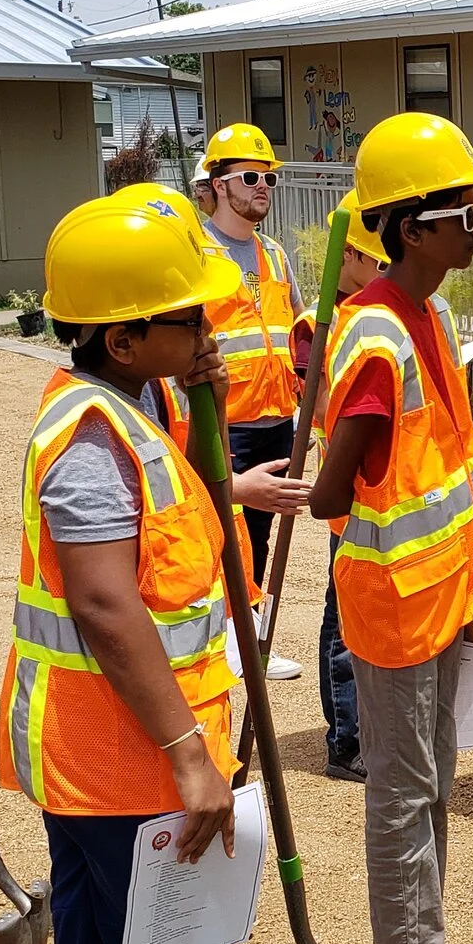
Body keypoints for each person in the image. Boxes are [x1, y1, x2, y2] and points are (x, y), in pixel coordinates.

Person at [0, 191, 251, 944]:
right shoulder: (90, 441)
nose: (209, 332)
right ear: (122, 333)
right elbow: (106, 604)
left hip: (116, 756)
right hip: (126, 763)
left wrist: (202, 402)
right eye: (188, 318)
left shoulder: (126, 411)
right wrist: (190, 757)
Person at [306, 113, 473, 944]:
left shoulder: (426, 316)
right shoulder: (376, 337)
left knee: (429, 780)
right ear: (411, 228)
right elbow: (328, 492)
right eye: (463, 213)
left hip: (436, 596)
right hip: (391, 603)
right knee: (400, 789)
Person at [191, 123, 311, 681]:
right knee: (221, 534)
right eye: (249, 177)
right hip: (223, 420)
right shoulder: (197, 255)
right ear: (216, 183)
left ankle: (252, 639)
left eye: (268, 178)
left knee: (261, 535)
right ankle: (228, 641)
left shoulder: (274, 255)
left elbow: (294, 332)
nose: (263, 186)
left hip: (275, 414)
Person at [290, 207, 389, 781]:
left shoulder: (391, 312)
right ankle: (346, 739)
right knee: (344, 616)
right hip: (348, 494)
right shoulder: (318, 323)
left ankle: (375, 730)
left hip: (392, 497)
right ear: (346, 256)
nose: (381, 270)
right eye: (372, 259)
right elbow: (319, 407)